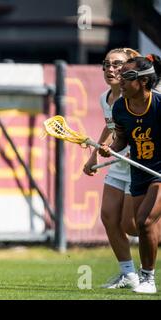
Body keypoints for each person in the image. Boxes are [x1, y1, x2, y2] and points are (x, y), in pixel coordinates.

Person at [99, 54, 161, 294]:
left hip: (158, 173)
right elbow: (122, 139)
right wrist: (110, 149)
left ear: (143, 81)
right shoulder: (120, 107)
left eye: (127, 76)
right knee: (140, 227)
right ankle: (144, 277)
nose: (120, 81)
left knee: (145, 221)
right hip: (139, 173)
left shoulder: (158, 106)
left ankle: (148, 279)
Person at [83, 48, 140, 289]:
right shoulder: (104, 97)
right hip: (118, 165)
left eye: (117, 65)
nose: (110, 69)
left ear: (130, 68)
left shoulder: (140, 99)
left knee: (132, 225)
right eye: (106, 64)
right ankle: (128, 274)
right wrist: (94, 154)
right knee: (108, 217)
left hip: (140, 166)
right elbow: (110, 127)